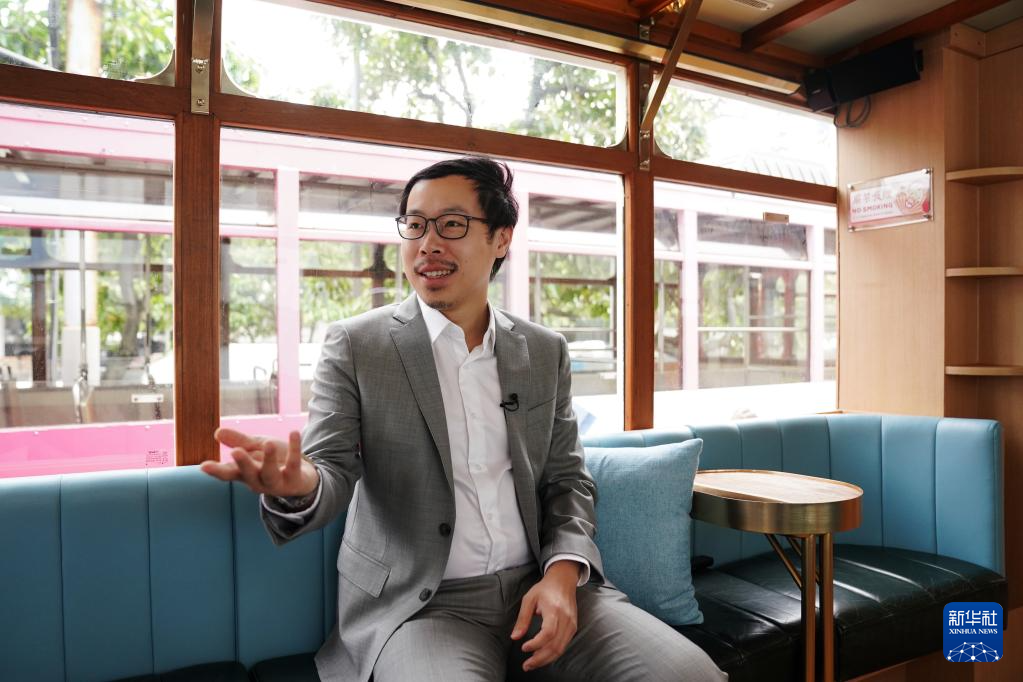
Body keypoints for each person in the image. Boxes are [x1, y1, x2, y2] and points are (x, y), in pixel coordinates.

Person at [201, 156, 727, 682]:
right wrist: (298, 485)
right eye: (415, 224)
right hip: (420, 608)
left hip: (540, 584)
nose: (428, 244)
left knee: (690, 675)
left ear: (501, 239)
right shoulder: (358, 345)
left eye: (452, 224)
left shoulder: (544, 351)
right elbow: (330, 470)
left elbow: (568, 479)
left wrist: (564, 574)